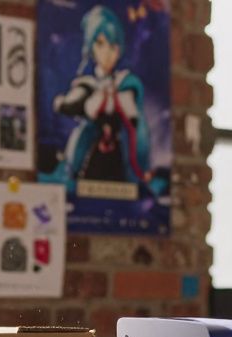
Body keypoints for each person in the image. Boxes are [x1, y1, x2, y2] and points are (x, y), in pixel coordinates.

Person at [45, 5, 161, 197]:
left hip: (118, 155)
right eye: (100, 44)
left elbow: (134, 124)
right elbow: (70, 105)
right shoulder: (87, 85)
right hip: (89, 151)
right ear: (91, 47)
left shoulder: (126, 84)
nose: (107, 53)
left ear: (119, 49)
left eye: (112, 46)